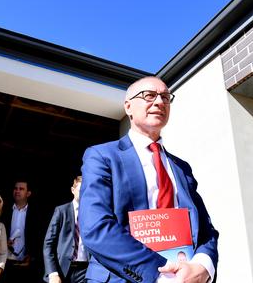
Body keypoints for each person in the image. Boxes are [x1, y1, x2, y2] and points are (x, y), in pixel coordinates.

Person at [80, 76, 219, 283]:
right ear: (128, 107)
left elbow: (205, 228)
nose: (160, 102)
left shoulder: (182, 168)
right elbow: (95, 227)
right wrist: (158, 275)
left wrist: (203, 266)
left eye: (165, 97)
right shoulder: (102, 156)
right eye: (149, 95)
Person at [43, 176, 89, 283]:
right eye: (80, 190)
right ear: (73, 190)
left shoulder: (92, 213)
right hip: (63, 269)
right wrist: (53, 273)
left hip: (86, 270)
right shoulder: (61, 211)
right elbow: (48, 244)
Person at [1, 179, 41, 282]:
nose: (17, 191)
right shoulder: (3, 211)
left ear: (28, 193)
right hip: (5, 263)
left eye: (21, 189)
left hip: (26, 263)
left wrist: (32, 257)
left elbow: (39, 237)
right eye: (15, 188)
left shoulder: (37, 213)